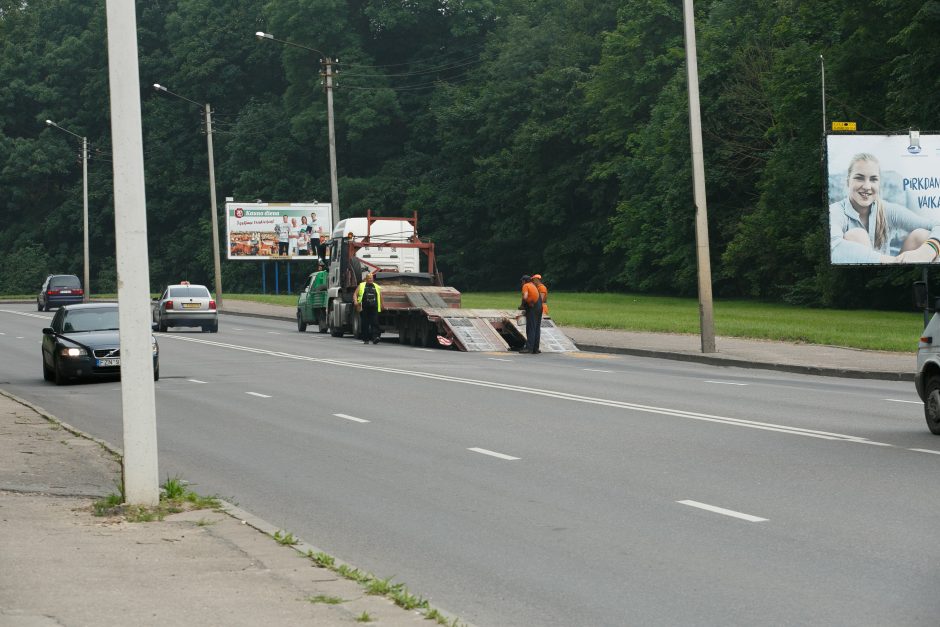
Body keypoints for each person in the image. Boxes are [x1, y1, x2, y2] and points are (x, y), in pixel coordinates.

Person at [830, 153, 940, 263]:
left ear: (879, 184)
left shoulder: (888, 210)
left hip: (890, 274)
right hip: (860, 276)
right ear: (848, 181)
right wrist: (893, 262)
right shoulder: (835, 211)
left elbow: (936, 225)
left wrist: (928, 250)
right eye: (859, 178)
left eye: (873, 179)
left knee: (921, 235)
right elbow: (832, 247)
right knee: (857, 235)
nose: (867, 186)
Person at [354, 272, 382, 344]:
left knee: (375, 322)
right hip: (364, 307)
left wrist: (382, 305)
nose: (370, 280)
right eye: (369, 278)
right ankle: (366, 339)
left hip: (374, 307)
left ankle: (375, 337)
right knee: (365, 323)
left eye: (371, 278)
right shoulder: (361, 285)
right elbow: (355, 294)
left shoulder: (377, 286)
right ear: (366, 279)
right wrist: (355, 302)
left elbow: (380, 296)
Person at [518, 275, 542, 354]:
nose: (521, 283)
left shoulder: (526, 285)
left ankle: (529, 348)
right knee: (536, 328)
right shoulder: (533, 285)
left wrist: (522, 305)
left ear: (524, 281)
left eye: (522, 281)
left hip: (533, 307)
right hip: (539, 307)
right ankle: (535, 348)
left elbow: (525, 297)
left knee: (531, 328)